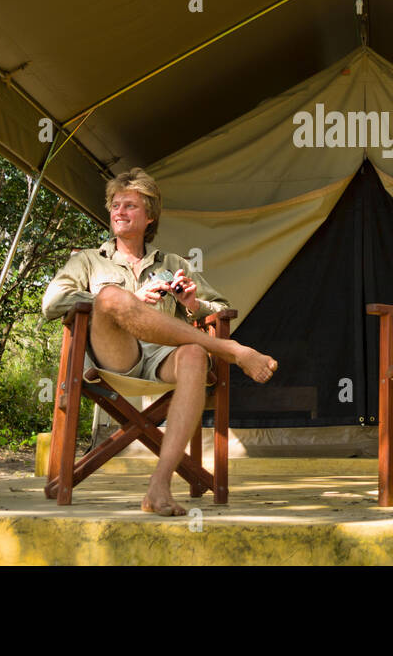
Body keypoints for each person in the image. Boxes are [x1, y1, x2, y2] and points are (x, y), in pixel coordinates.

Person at [42, 168, 277, 515]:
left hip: (163, 358)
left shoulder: (172, 263)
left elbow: (223, 308)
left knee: (196, 354)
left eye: (130, 206)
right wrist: (132, 299)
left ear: (150, 216)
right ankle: (230, 351)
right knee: (109, 297)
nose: (120, 212)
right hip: (114, 358)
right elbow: (52, 303)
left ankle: (160, 484)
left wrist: (193, 305)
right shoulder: (88, 261)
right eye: (115, 205)